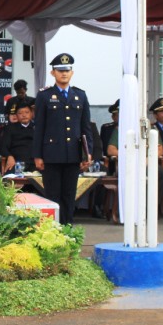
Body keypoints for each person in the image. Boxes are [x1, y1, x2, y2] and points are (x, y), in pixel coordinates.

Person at [32, 53, 94, 225]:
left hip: (73, 155)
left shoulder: (80, 96)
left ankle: (68, 229)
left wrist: (87, 153)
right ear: (53, 73)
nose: (64, 74)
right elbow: (39, 128)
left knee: (69, 195)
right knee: (53, 196)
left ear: (72, 73)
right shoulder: (44, 96)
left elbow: (85, 128)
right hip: (51, 155)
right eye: (60, 71)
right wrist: (38, 155)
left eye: (67, 70)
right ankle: (53, 231)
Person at [1, 96, 36, 174]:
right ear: (16, 116)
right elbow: (4, 147)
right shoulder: (10, 128)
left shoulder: (37, 128)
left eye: (26, 112)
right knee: (15, 181)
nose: (24, 115)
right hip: (18, 163)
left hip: (35, 163)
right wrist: (9, 156)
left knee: (40, 182)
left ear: (31, 114)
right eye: (20, 113)